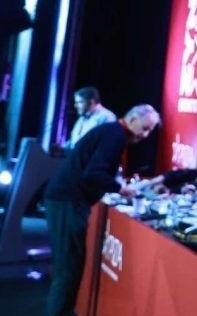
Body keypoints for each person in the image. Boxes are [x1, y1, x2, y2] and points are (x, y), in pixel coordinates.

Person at [44, 104, 161, 316]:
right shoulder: (115, 135)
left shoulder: (112, 132)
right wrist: (120, 188)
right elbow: (94, 173)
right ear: (133, 118)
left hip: (67, 199)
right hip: (69, 201)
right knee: (68, 268)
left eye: (150, 131)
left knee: (69, 266)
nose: (146, 135)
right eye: (145, 128)